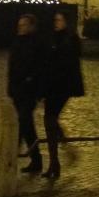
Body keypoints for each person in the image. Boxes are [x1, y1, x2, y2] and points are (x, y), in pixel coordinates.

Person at [39, 10, 84, 179]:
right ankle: (55, 162)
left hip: (62, 86)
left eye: (60, 20)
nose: (57, 22)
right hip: (52, 86)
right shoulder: (53, 37)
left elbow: (67, 64)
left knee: (50, 120)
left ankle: (58, 156)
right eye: (56, 19)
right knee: (50, 121)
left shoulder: (70, 39)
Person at [7, 13, 46, 174]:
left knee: (23, 122)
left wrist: (31, 82)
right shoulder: (17, 43)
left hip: (29, 91)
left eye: (24, 25)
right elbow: (12, 67)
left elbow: (39, 67)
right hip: (17, 90)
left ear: (31, 26)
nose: (21, 27)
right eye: (20, 25)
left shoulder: (36, 44)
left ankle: (11, 155)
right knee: (27, 126)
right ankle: (35, 159)